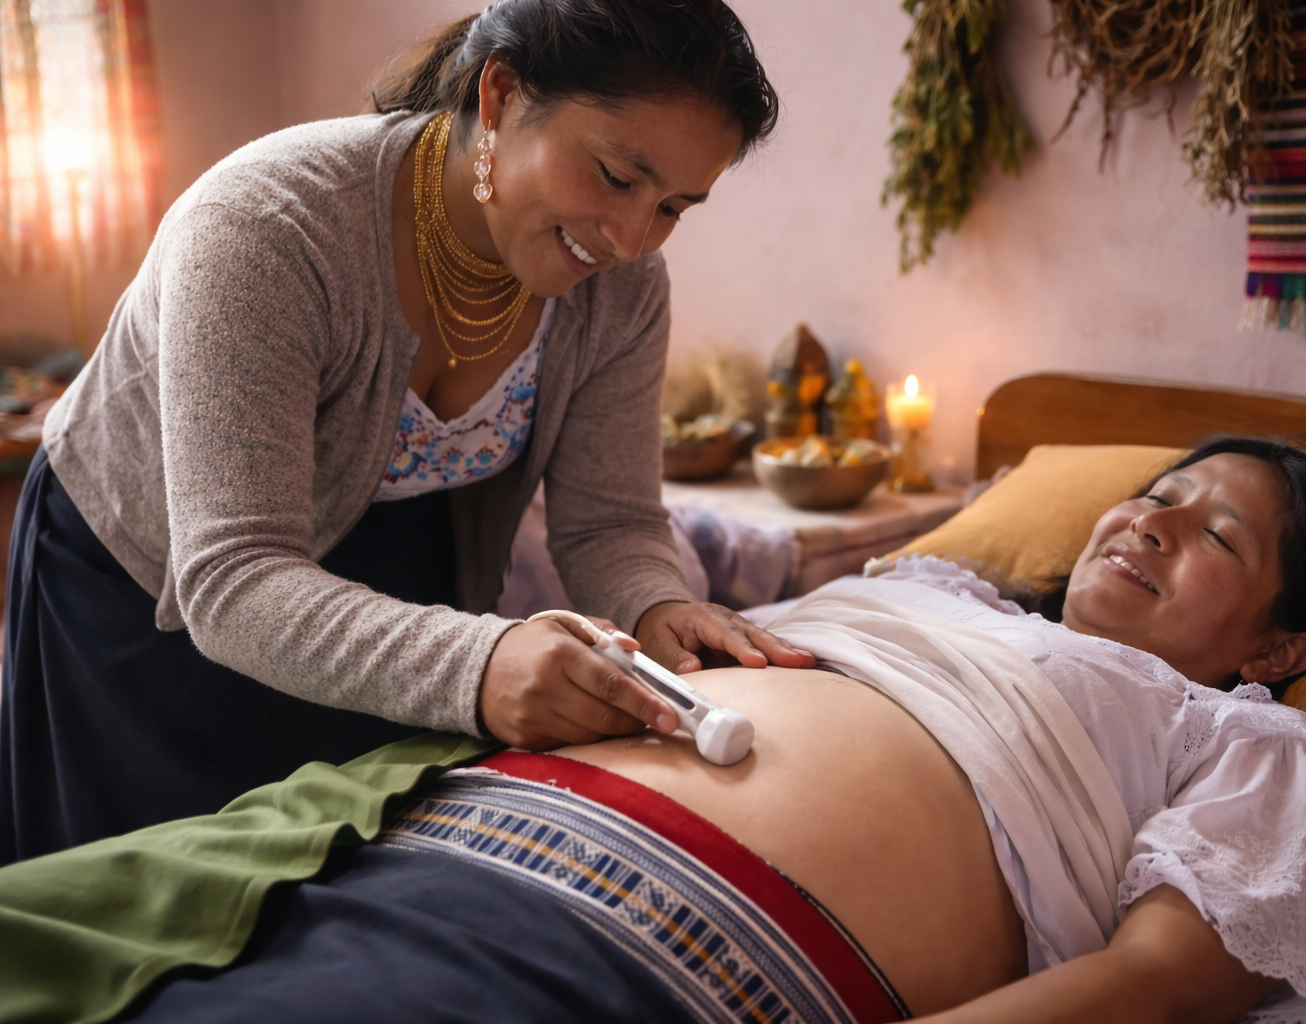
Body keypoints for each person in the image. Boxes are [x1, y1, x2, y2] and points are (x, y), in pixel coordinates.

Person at [0, 437, 1306, 1024]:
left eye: (1214, 530)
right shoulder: (933, 588)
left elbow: (1158, 991)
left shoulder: (1256, 745)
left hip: (654, 934)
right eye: (1157, 491)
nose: (1151, 517)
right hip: (414, 820)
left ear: (1280, 645)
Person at [0, 0, 818, 866]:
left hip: (384, 575)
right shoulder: (268, 227)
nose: (630, 238)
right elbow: (234, 578)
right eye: (617, 177)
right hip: (151, 588)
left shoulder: (622, 288)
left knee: (341, 895)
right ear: (500, 95)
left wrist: (658, 605)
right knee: (156, 910)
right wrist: (479, 663)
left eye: (674, 207)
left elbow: (608, 520)